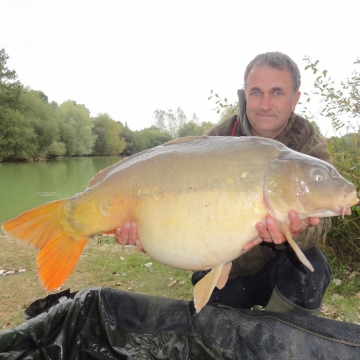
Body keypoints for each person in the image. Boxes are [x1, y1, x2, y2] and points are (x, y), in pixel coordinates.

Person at [115, 52, 332, 316]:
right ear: (245, 94)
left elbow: (323, 222)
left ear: (295, 99)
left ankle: (279, 345)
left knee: (312, 266)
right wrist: (146, 230)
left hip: (274, 267)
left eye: (276, 92)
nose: (265, 104)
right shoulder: (216, 142)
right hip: (219, 271)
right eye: (256, 92)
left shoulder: (309, 146)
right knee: (218, 339)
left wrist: (295, 234)